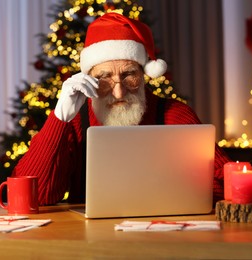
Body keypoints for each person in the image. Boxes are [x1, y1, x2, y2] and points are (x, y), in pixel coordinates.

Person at [12, 12, 231, 205]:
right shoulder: (75, 120)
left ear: (143, 74)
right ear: (88, 79)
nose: (118, 93)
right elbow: (36, 195)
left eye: (129, 75)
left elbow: (222, 184)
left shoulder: (173, 113)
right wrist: (59, 118)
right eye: (104, 78)